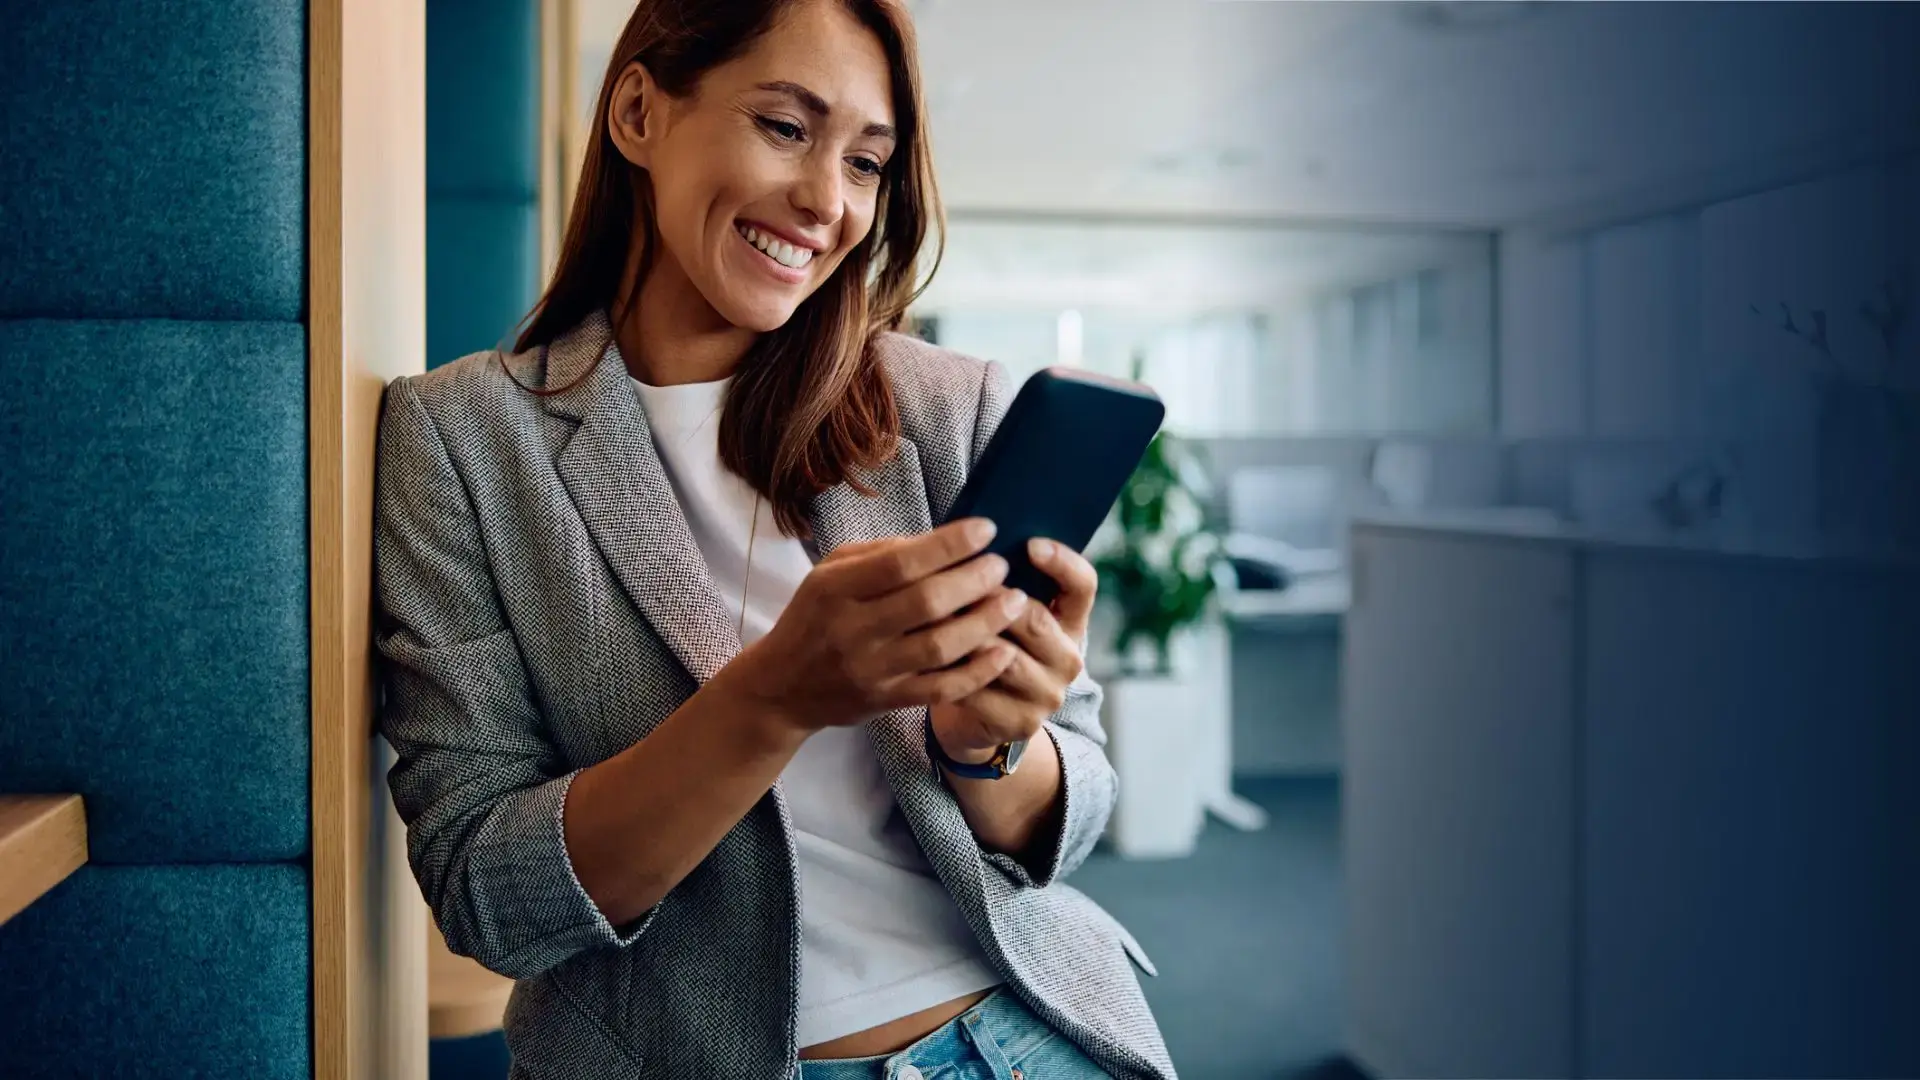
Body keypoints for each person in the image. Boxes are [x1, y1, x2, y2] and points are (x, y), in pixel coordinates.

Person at [372, 1, 1171, 1077]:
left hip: (1024, 1035)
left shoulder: (949, 410)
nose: (826, 202)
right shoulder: (462, 439)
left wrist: (988, 745)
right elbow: (486, 892)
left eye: (868, 163)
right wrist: (775, 695)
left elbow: (1069, 820)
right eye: (786, 129)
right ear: (641, 112)